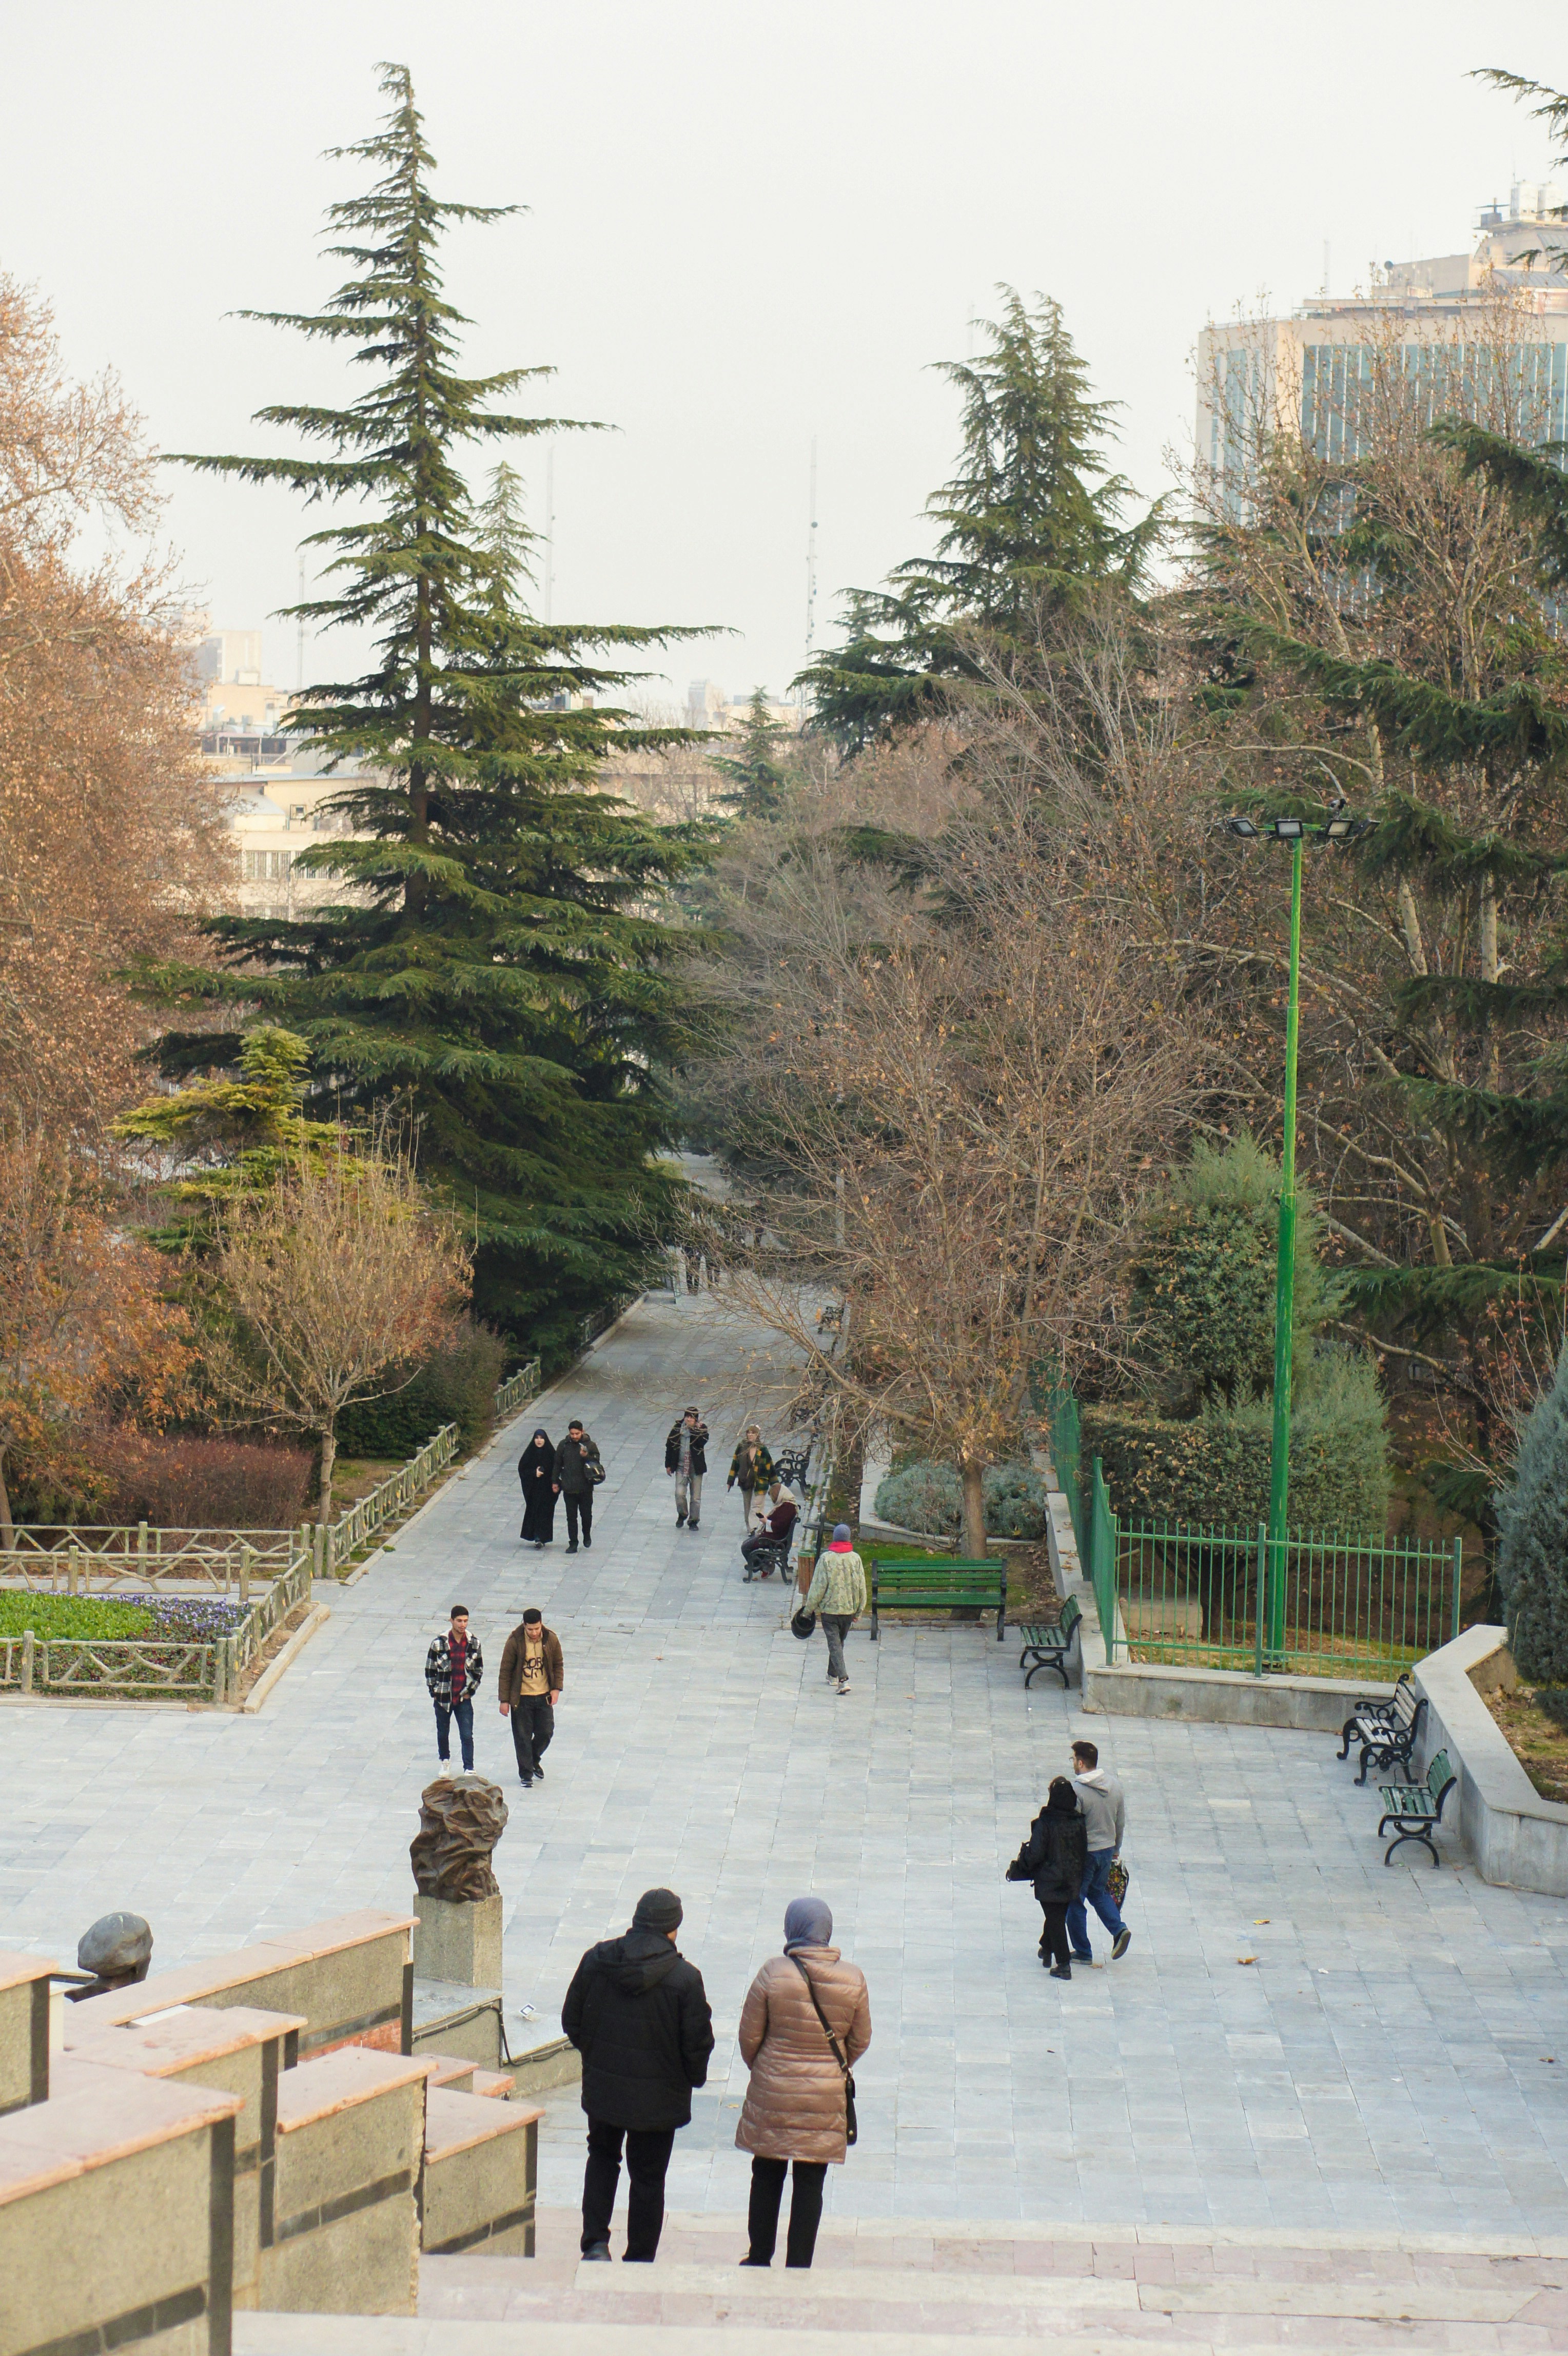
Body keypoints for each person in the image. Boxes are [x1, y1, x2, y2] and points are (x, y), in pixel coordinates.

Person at [561, 1887, 714, 2265]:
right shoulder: (685, 1979)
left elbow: (572, 2020)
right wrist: (691, 2079)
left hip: (605, 2090)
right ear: (673, 1928)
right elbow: (697, 2044)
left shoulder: (597, 1961)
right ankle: (640, 2257)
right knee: (648, 2178)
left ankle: (595, 2244)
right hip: (659, 2101)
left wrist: (598, 2058)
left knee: (602, 2157)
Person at [734, 1896, 871, 2270]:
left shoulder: (773, 1973)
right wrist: (832, 2067)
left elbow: (749, 2037)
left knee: (767, 2174)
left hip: (774, 2091)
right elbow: (860, 2039)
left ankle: (759, 2256)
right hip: (825, 2096)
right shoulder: (853, 1979)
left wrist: (765, 2068)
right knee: (811, 2181)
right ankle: (799, 2265)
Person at [1014, 1777, 1088, 1978]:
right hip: (1071, 1880)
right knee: (1057, 1915)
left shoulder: (1046, 1822)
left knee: (1055, 1919)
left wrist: (1022, 1865)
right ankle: (1046, 1949)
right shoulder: (1078, 1822)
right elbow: (1083, 1851)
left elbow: (1036, 1853)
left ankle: (1063, 1964)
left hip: (1049, 1881)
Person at [1067, 1739, 1131, 1964]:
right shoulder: (1114, 1785)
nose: (1073, 1763)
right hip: (1107, 1851)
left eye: (1073, 1759)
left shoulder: (1077, 1791)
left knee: (1075, 1900)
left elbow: (1072, 1828)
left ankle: (1083, 1951)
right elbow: (1120, 1821)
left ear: (1082, 1763)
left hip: (1086, 1854)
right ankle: (1119, 1930)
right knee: (1098, 1893)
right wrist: (1116, 1849)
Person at [497, 1606, 563, 1787]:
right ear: (524, 1626)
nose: (534, 1633)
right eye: (530, 1629)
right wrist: (504, 1700)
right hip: (522, 1698)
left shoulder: (551, 1639)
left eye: (537, 1629)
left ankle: (533, 1758)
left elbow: (558, 1665)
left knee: (546, 1732)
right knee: (522, 1736)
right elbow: (505, 1671)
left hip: (543, 1696)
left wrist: (556, 1688)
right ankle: (526, 1774)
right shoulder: (514, 1642)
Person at [800, 1523, 867, 1695]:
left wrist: (808, 1610)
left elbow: (818, 1587)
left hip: (830, 1611)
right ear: (848, 1539)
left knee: (835, 1644)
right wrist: (859, 1610)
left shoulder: (826, 1559)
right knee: (838, 1643)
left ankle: (843, 1679)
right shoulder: (856, 1559)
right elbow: (862, 1587)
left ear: (835, 1538)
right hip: (849, 1611)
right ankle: (832, 1675)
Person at [424, 1605, 483, 1773]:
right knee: (443, 1733)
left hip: (463, 1696)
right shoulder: (439, 1644)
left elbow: (478, 1670)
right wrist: (434, 1692)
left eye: (465, 1621)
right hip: (443, 1696)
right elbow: (430, 1670)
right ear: (452, 1621)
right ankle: (445, 1760)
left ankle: (469, 1768)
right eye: (459, 1621)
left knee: (467, 1735)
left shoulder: (474, 1643)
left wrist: (471, 1691)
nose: (463, 1624)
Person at [554, 1419, 602, 1554]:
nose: (574, 1436)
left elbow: (596, 1463)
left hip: (585, 1488)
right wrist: (555, 1482)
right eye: (572, 1434)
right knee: (571, 1517)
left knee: (586, 1515)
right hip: (569, 1487)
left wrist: (586, 1457)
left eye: (577, 1434)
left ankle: (587, 1535)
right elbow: (557, 1464)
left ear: (582, 1432)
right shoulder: (563, 1445)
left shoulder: (590, 1446)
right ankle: (573, 1542)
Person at [740, 1480, 797, 1580]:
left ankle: (764, 1567)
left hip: (776, 1539)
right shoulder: (786, 1505)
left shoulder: (788, 1507)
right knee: (747, 1544)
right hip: (775, 1536)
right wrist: (766, 1521)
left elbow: (779, 1525)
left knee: (746, 1547)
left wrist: (766, 1521)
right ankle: (765, 1564)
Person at [665, 1406, 708, 1530]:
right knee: (679, 1494)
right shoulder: (678, 1429)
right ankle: (682, 1514)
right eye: (688, 1416)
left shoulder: (701, 1429)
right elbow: (669, 1445)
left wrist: (694, 1430)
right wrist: (668, 1465)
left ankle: (693, 1521)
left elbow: (702, 1443)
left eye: (692, 1417)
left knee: (696, 1498)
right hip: (680, 1466)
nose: (689, 1419)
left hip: (696, 1469)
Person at [727, 1425, 775, 1526]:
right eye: (749, 1433)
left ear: (757, 1435)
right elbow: (735, 1463)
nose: (750, 1435)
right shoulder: (742, 1447)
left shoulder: (763, 1449)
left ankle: (755, 1527)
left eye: (753, 1433)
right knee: (747, 1506)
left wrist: (775, 1485)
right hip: (745, 1480)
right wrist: (730, 1481)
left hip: (760, 1482)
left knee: (757, 1506)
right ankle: (749, 1527)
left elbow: (770, 1467)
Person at [518, 1428, 557, 1548]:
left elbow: (557, 1468)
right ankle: (537, 1537)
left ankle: (543, 1537)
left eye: (541, 1438)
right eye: (537, 1438)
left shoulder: (551, 1453)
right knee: (535, 1511)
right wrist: (534, 1473)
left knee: (546, 1512)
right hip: (534, 1489)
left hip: (547, 1489)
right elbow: (522, 1469)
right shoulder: (530, 1453)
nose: (539, 1441)